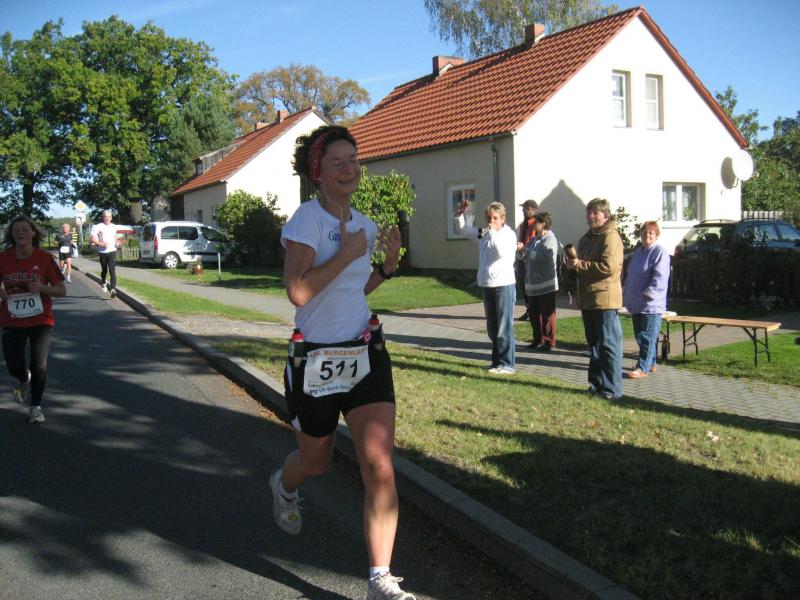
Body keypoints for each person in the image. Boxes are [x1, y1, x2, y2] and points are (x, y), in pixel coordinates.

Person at [272, 125, 415, 600]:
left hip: (363, 351)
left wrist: (385, 267)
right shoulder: (306, 221)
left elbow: (355, 288)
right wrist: (348, 252)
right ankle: (284, 486)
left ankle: (380, 578)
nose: (350, 168)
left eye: (354, 160)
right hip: (315, 358)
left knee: (379, 464)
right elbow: (298, 291)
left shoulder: (366, 225)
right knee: (316, 463)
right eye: (339, 162)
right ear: (319, 172)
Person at [0, 216, 67, 423]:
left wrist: (42, 288)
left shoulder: (44, 258)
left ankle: (36, 406)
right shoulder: (3, 258)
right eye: (16, 230)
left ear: (33, 233)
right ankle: (23, 378)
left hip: (41, 320)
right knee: (13, 364)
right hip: (12, 319)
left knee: (39, 366)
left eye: (25, 229)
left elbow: (61, 290)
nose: (20, 233)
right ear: (11, 235)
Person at [566, 198, 624, 400]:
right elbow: (580, 264)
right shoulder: (587, 238)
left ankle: (612, 390)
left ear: (605, 216)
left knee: (608, 345)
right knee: (594, 345)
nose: (591, 217)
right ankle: (596, 385)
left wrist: (579, 265)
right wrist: (571, 265)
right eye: (589, 213)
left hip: (604, 299)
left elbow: (608, 267)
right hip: (588, 298)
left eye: (595, 213)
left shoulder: (611, 236)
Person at [454, 199, 518, 374]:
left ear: (503, 219)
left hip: (503, 285)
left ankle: (507, 364)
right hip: (487, 284)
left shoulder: (508, 235)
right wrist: (459, 215)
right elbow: (465, 230)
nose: (491, 221)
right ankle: (496, 362)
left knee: (504, 327)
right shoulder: (485, 233)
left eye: (495, 218)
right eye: (489, 218)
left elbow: (501, 252)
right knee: (493, 328)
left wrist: (493, 232)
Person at [622, 221, 670, 378]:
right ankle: (652, 362)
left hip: (651, 304)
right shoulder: (639, 252)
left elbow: (660, 276)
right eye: (644, 232)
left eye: (651, 232)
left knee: (647, 337)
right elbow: (631, 274)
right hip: (636, 302)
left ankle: (643, 367)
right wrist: (626, 292)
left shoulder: (660, 252)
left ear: (656, 235)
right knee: (640, 335)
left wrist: (650, 294)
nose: (647, 235)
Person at [523, 212, 559, 351]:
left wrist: (526, 251)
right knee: (533, 314)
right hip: (533, 285)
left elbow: (543, 257)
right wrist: (520, 251)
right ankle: (537, 339)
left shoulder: (550, 239)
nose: (533, 225)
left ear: (543, 224)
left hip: (546, 284)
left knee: (547, 314)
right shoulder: (534, 239)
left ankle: (548, 342)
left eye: (536, 222)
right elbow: (525, 254)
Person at [515, 199, 538, 321]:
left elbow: (535, 242)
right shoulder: (523, 224)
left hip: (531, 259)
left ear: (529, 209)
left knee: (530, 286)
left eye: (524, 209)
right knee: (522, 284)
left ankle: (533, 311)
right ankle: (529, 310)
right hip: (521, 257)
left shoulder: (536, 224)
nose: (523, 211)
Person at [90, 210, 119, 298]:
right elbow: (92, 238)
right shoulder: (98, 226)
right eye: (105, 217)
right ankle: (103, 282)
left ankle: (113, 289)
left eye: (109, 217)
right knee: (104, 270)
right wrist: (101, 244)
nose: (107, 218)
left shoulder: (114, 226)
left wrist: (117, 242)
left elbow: (115, 237)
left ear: (111, 218)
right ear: (103, 217)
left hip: (112, 251)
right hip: (102, 252)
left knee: (112, 271)